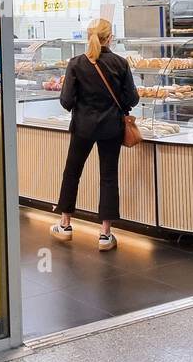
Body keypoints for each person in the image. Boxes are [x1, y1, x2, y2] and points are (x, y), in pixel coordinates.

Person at [52, 17, 139, 251]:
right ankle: (104, 234)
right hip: (111, 128)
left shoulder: (76, 63)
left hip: (82, 127)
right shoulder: (120, 63)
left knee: (72, 173)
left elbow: (66, 101)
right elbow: (132, 99)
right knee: (108, 177)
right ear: (110, 38)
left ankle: (65, 224)